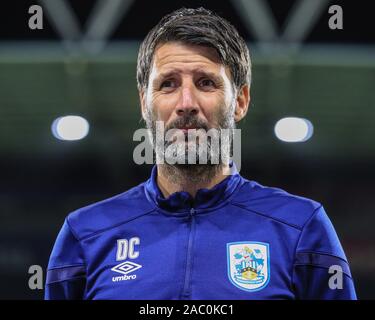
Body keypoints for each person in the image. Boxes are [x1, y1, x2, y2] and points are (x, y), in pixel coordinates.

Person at [45, 7, 357, 300]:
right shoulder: (84, 234)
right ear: (144, 102)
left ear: (240, 101)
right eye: (168, 84)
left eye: (206, 82)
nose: (186, 103)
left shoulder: (302, 227)